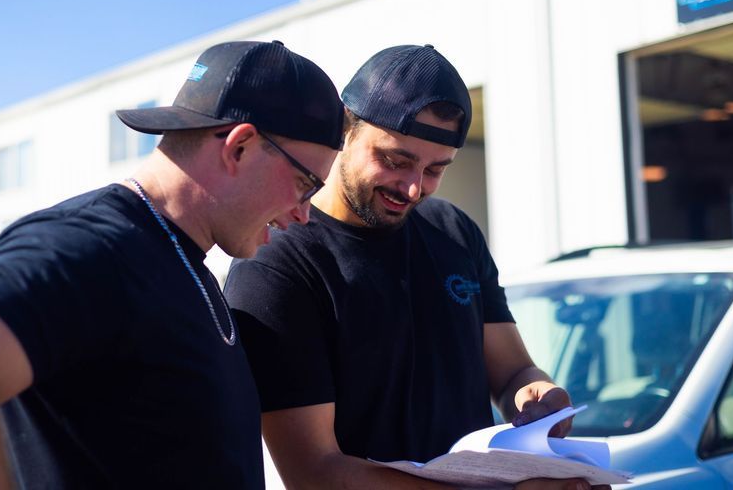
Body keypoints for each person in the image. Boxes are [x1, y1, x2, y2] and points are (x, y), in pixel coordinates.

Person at [0, 40, 344, 489]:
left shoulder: (179, 257)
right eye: (306, 183)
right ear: (238, 146)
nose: (304, 214)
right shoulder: (91, 247)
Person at [225, 44, 604, 490]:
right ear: (345, 130)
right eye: (394, 160)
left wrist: (536, 394)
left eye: (435, 169)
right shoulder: (279, 262)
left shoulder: (453, 230)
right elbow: (315, 473)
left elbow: (513, 372)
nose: (412, 188)